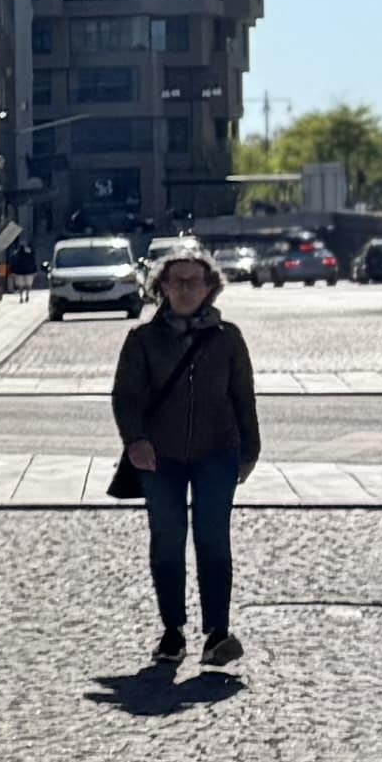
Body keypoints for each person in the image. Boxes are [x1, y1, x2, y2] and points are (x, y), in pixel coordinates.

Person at [112, 245, 262, 670]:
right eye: (175, 281)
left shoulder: (227, 338)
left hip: (218, 452)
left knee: (214, 540)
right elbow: (126, 397)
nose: (183, 288)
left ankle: (217, 632)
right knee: (168, 542)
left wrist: (250, 448)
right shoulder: (141, 340)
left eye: (192, 281)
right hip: (161, 458)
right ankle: (172, 631)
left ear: (210, 287)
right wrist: (135, 440)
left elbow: (242, 396)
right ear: (160, 286)